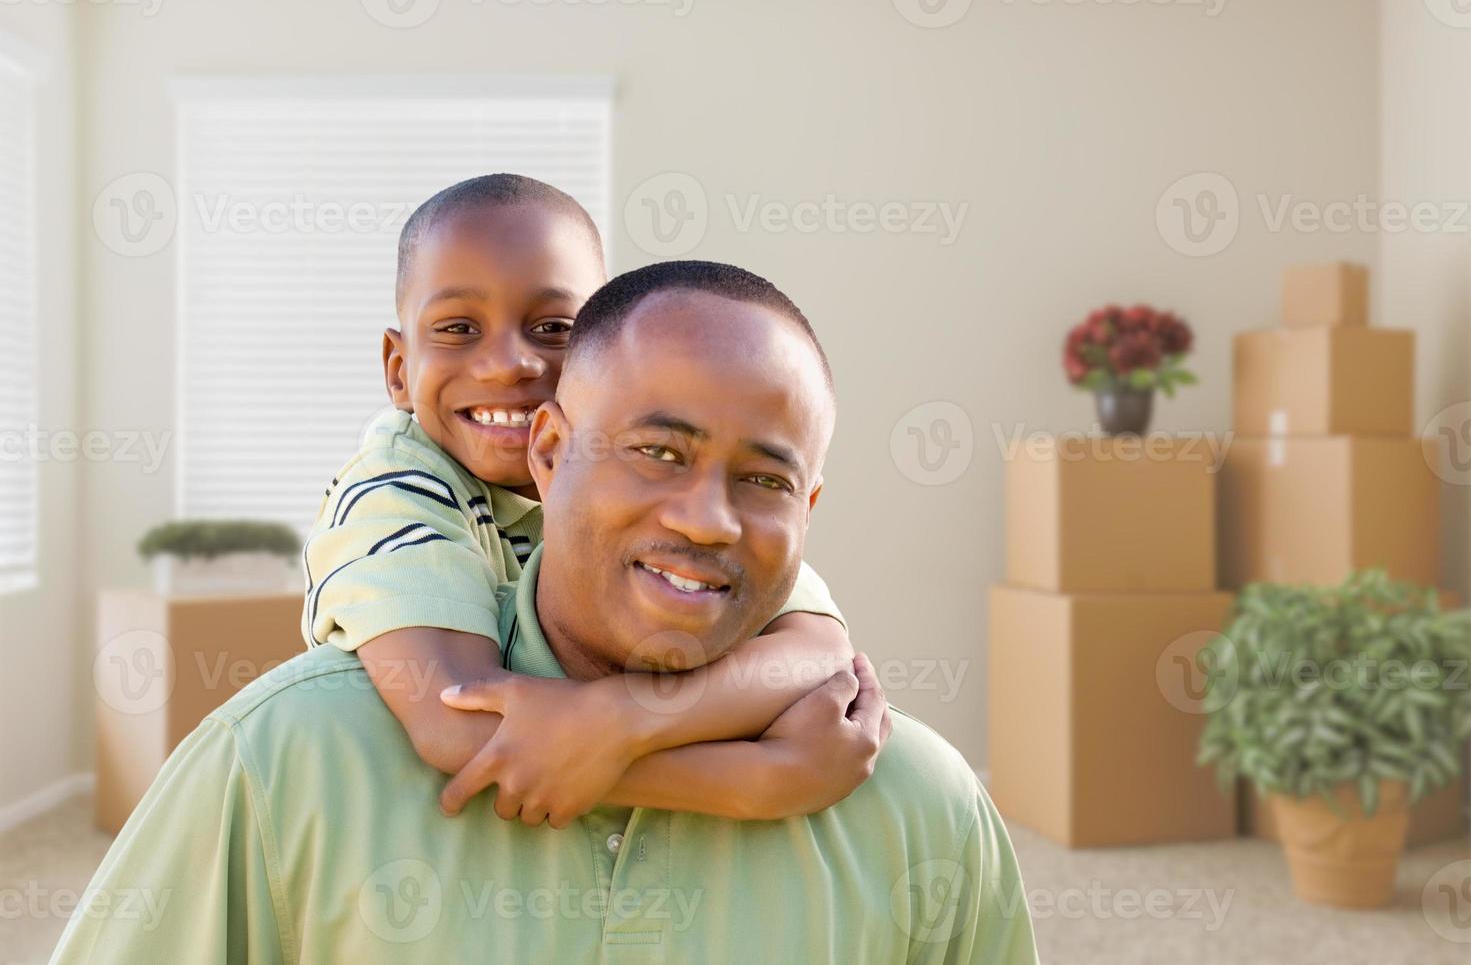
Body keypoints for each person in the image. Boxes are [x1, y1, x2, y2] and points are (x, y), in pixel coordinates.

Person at [51, 261, 1038, 963]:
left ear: (808, 508)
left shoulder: (919, 806)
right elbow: (458, 720)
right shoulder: (284, 758)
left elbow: (815, 644)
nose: (708, 518)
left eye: (762, 478)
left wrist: (638, 734)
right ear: (550, 450)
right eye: (657, 451)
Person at [305, 174, 861, 824]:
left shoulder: (643, 480)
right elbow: (459, 726)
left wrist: (621, 720)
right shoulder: (394, 493)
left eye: (552, 328)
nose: (508, 364)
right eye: (458, 328)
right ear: (398, 370)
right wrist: (757, 782)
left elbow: (817, 650)